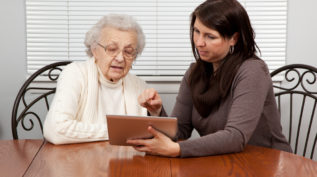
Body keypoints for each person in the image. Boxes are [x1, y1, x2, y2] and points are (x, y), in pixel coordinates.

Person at [127, 0, 292, 157]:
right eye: (196, 31)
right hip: (224, 160)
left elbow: (236, 137)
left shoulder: (253, 70)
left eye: (210, 36)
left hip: (269, 162)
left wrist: (177, 149)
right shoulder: (194, 72)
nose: (199, 42)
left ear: (234, 38)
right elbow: (180, 130)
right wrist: (156, 112)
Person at [43, 14, 151, 144]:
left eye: (128, 52)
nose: (120, 58)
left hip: (126, 162)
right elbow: (56, 130)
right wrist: (120, 132)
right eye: (112, 49)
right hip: (78, 160)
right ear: (94, 50)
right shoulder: (75, 73)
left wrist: (155, 112)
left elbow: (152, 135)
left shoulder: (139, 85)